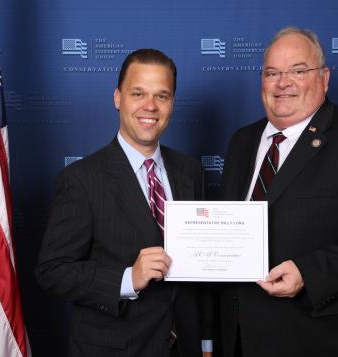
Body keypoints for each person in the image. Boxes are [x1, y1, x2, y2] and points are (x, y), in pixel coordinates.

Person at [219, 27, 338, 357]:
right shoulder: (242, 141)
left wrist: (308, 272)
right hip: (241, 339)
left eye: (298, 71)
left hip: (322, 339)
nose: (283, 83)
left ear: (324, 78)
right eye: (272, 73)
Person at [35, 49, 212, 357]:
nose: (150, 107)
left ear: (172, 104)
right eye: (138, 93)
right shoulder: (81, 179)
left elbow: (202, 271)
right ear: (118, 98)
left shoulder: (190, 172)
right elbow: (52, 271)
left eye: (162, 96)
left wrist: (206, 342)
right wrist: (128, 278)